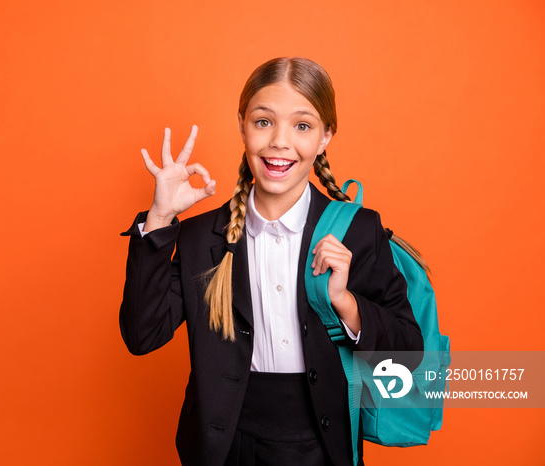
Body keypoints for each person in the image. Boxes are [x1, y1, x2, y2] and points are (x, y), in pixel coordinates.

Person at [120, 57, 423, 466]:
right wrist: (159, 220)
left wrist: (346, 303)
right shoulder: (199, 236)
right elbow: (142, 336)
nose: (280, 141)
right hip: (224, 448)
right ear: (242, 124)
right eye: (264, 122)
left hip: (323, 445)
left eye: (302, 125)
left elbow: (409, 352)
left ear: (325, 137)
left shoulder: (357, 230)